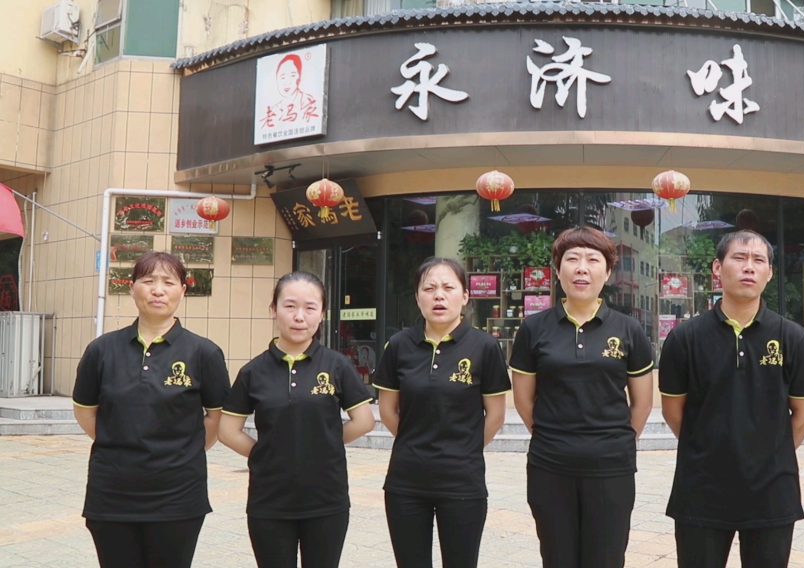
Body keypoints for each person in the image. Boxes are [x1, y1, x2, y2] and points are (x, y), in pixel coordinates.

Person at [659, 229, 804, 568]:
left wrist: (767, 455)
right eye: (739, 258)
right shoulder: (684, 338)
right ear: (717, 268)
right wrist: (708, 449)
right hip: (701, 490)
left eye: (758, 260)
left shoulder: (794, 338)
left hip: (772, 491)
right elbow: (674, 411)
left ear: (770, 273)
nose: (749, 267)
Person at [72, 251, 230, 568]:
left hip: (178, 495)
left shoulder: (204, 352)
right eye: (148, 281)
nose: (158, 290)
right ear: (132, 288)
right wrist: (119, 442)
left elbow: (216, 417)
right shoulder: (102, 350)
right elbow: (86, 411)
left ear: (183, 290)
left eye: (168, 282)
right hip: (112, 493)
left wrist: (181, 454)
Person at [509, 227, 655, 568]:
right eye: (571, 259)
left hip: (611, 466)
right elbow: (524, 400)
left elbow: (643, 403)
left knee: (606, 557)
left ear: (607, 271)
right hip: (550, 464)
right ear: (558, 270)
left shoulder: (628, 329)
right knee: (557, 557)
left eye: (593, 260)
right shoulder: (534, 328)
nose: (582, 268)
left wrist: (616, 443)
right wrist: (552, 436)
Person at [218, 271, 376, 568]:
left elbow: (364, 421)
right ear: (273, 310)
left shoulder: (337, 365)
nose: (299, 316)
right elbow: (228, 431)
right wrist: (267, 452)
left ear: (322, 314)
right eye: (289, 306)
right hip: (269, 500)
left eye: (310, 307)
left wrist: (325, 441)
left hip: (326, 498)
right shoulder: (254, 371)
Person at [373, 257, 511, 568]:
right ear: (417, 297)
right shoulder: (398, 345)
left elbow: (496, 416)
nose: (439, 295)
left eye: (449, 287)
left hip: (463, 481)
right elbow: (388, 409)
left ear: (464, 296)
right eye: (429, 288)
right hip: (406, 480)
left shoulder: (484, 346)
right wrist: (415, 441)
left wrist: (464, 447)